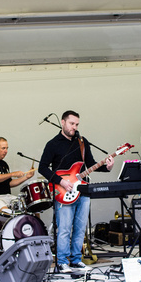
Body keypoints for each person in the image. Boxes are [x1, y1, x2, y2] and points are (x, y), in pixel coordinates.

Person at [39, 110, 114, 273]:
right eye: (72, 123)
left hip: (83, 190)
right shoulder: (53, 144)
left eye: (77, 124)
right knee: (64, 228)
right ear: (63, 123)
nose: (74, 127)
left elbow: (91, 163)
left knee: (80, 227)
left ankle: (76, 260)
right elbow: (42, 168)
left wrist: (107, 167)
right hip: (63, 191)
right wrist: (61, 182)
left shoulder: (82, 142)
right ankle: (62, 262)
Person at [0, 137, 34, 215]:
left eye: (7, 148)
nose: (6, 151)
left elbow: (9, 183)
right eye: (3, 148)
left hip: (7, 196)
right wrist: (12, 174)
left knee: (29, 206)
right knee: (6, 212)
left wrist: (26, 177)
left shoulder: (4, 164)